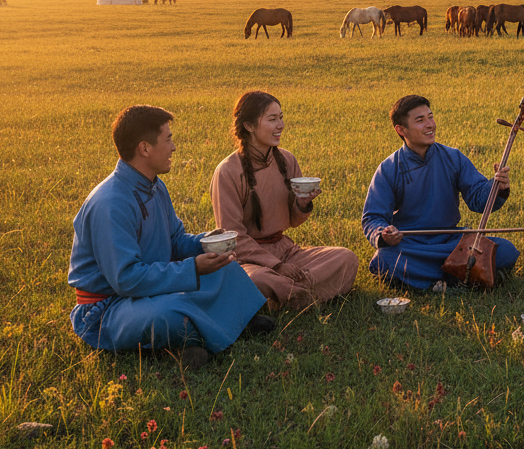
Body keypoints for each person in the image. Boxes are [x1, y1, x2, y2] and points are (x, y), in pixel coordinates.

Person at [68, 106, 271, 371]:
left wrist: (205, 243)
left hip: (150, 289)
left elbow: (175, 241)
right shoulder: (110, 203)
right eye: (168, 139)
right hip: (108, 308)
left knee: (225, 268)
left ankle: (208, 331)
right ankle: (201, 333)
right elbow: (127, 279)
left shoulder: (155, 186)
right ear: (145, 149)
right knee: (169, 313)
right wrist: (193, 268)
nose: (174, 147)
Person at [210, 91, 358, 310]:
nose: (280, 125)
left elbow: (293, 221)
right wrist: (276, 266)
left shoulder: (287, 160)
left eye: (281, 117)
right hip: (249, 260)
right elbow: (232, 238)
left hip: (287, 252)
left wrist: (303, 204)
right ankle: (298, 293)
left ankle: (283, 297)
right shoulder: (228, 171)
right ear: (249, 126)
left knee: (346, 258)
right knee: (259, 281)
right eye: (272, 119)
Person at [362, 94, 520, 291]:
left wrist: (497, 187)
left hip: (451, 241)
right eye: (420, 120)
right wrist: (383, 234)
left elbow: (478, 198)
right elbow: (373, 217)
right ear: (401, 130)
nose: (430, 125)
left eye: (431, 117)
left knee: (505, 250)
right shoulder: (389, 169)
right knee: (384, 259)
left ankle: (432, 279)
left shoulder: (453, 157)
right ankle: (458, 275)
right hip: (412, 245)